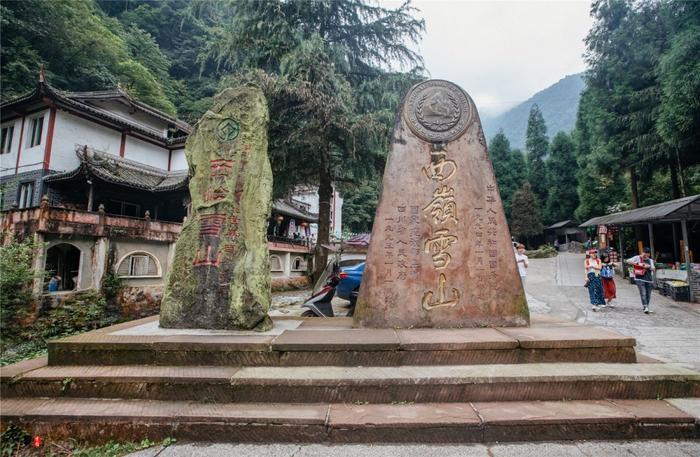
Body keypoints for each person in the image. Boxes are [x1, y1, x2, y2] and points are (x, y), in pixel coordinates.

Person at [626, 247, 655, 314]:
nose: (646, 256)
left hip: (649, 279)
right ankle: (645, 307)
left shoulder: (650, 260)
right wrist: (639, 264)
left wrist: (649, 267)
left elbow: (653, 269)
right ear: (642, 252)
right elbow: (627, 261)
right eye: (645, 254)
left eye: (647, 255)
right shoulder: (637, 257)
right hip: (639, 278)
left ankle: (646, 306)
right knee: (643, 293)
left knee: (648, 294)